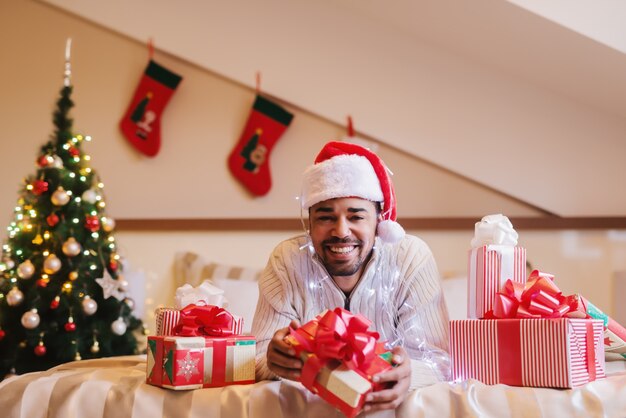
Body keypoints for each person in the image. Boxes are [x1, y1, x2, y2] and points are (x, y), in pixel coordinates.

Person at [252, 141, 450, 413]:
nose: (341, 231)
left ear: (379, 220)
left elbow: (439, 361)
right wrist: (272, 363)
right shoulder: (287, 261)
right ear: (308, 222)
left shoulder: (411, 258)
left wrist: (410, 375)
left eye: (356, 217)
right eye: (325, 217)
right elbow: (255, 357)